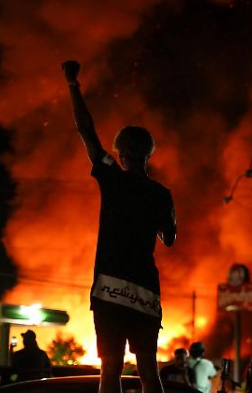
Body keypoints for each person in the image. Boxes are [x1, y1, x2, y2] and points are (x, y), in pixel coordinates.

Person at [62, 60, 177, 393]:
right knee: (148, 372)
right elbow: (169, 238)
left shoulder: (112, 176)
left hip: (110, 287)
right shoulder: (161, 194)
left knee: (109, 371)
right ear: (149, 155)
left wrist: (72, 84)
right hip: (145, 290)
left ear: (121, 152)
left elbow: (86, 130)